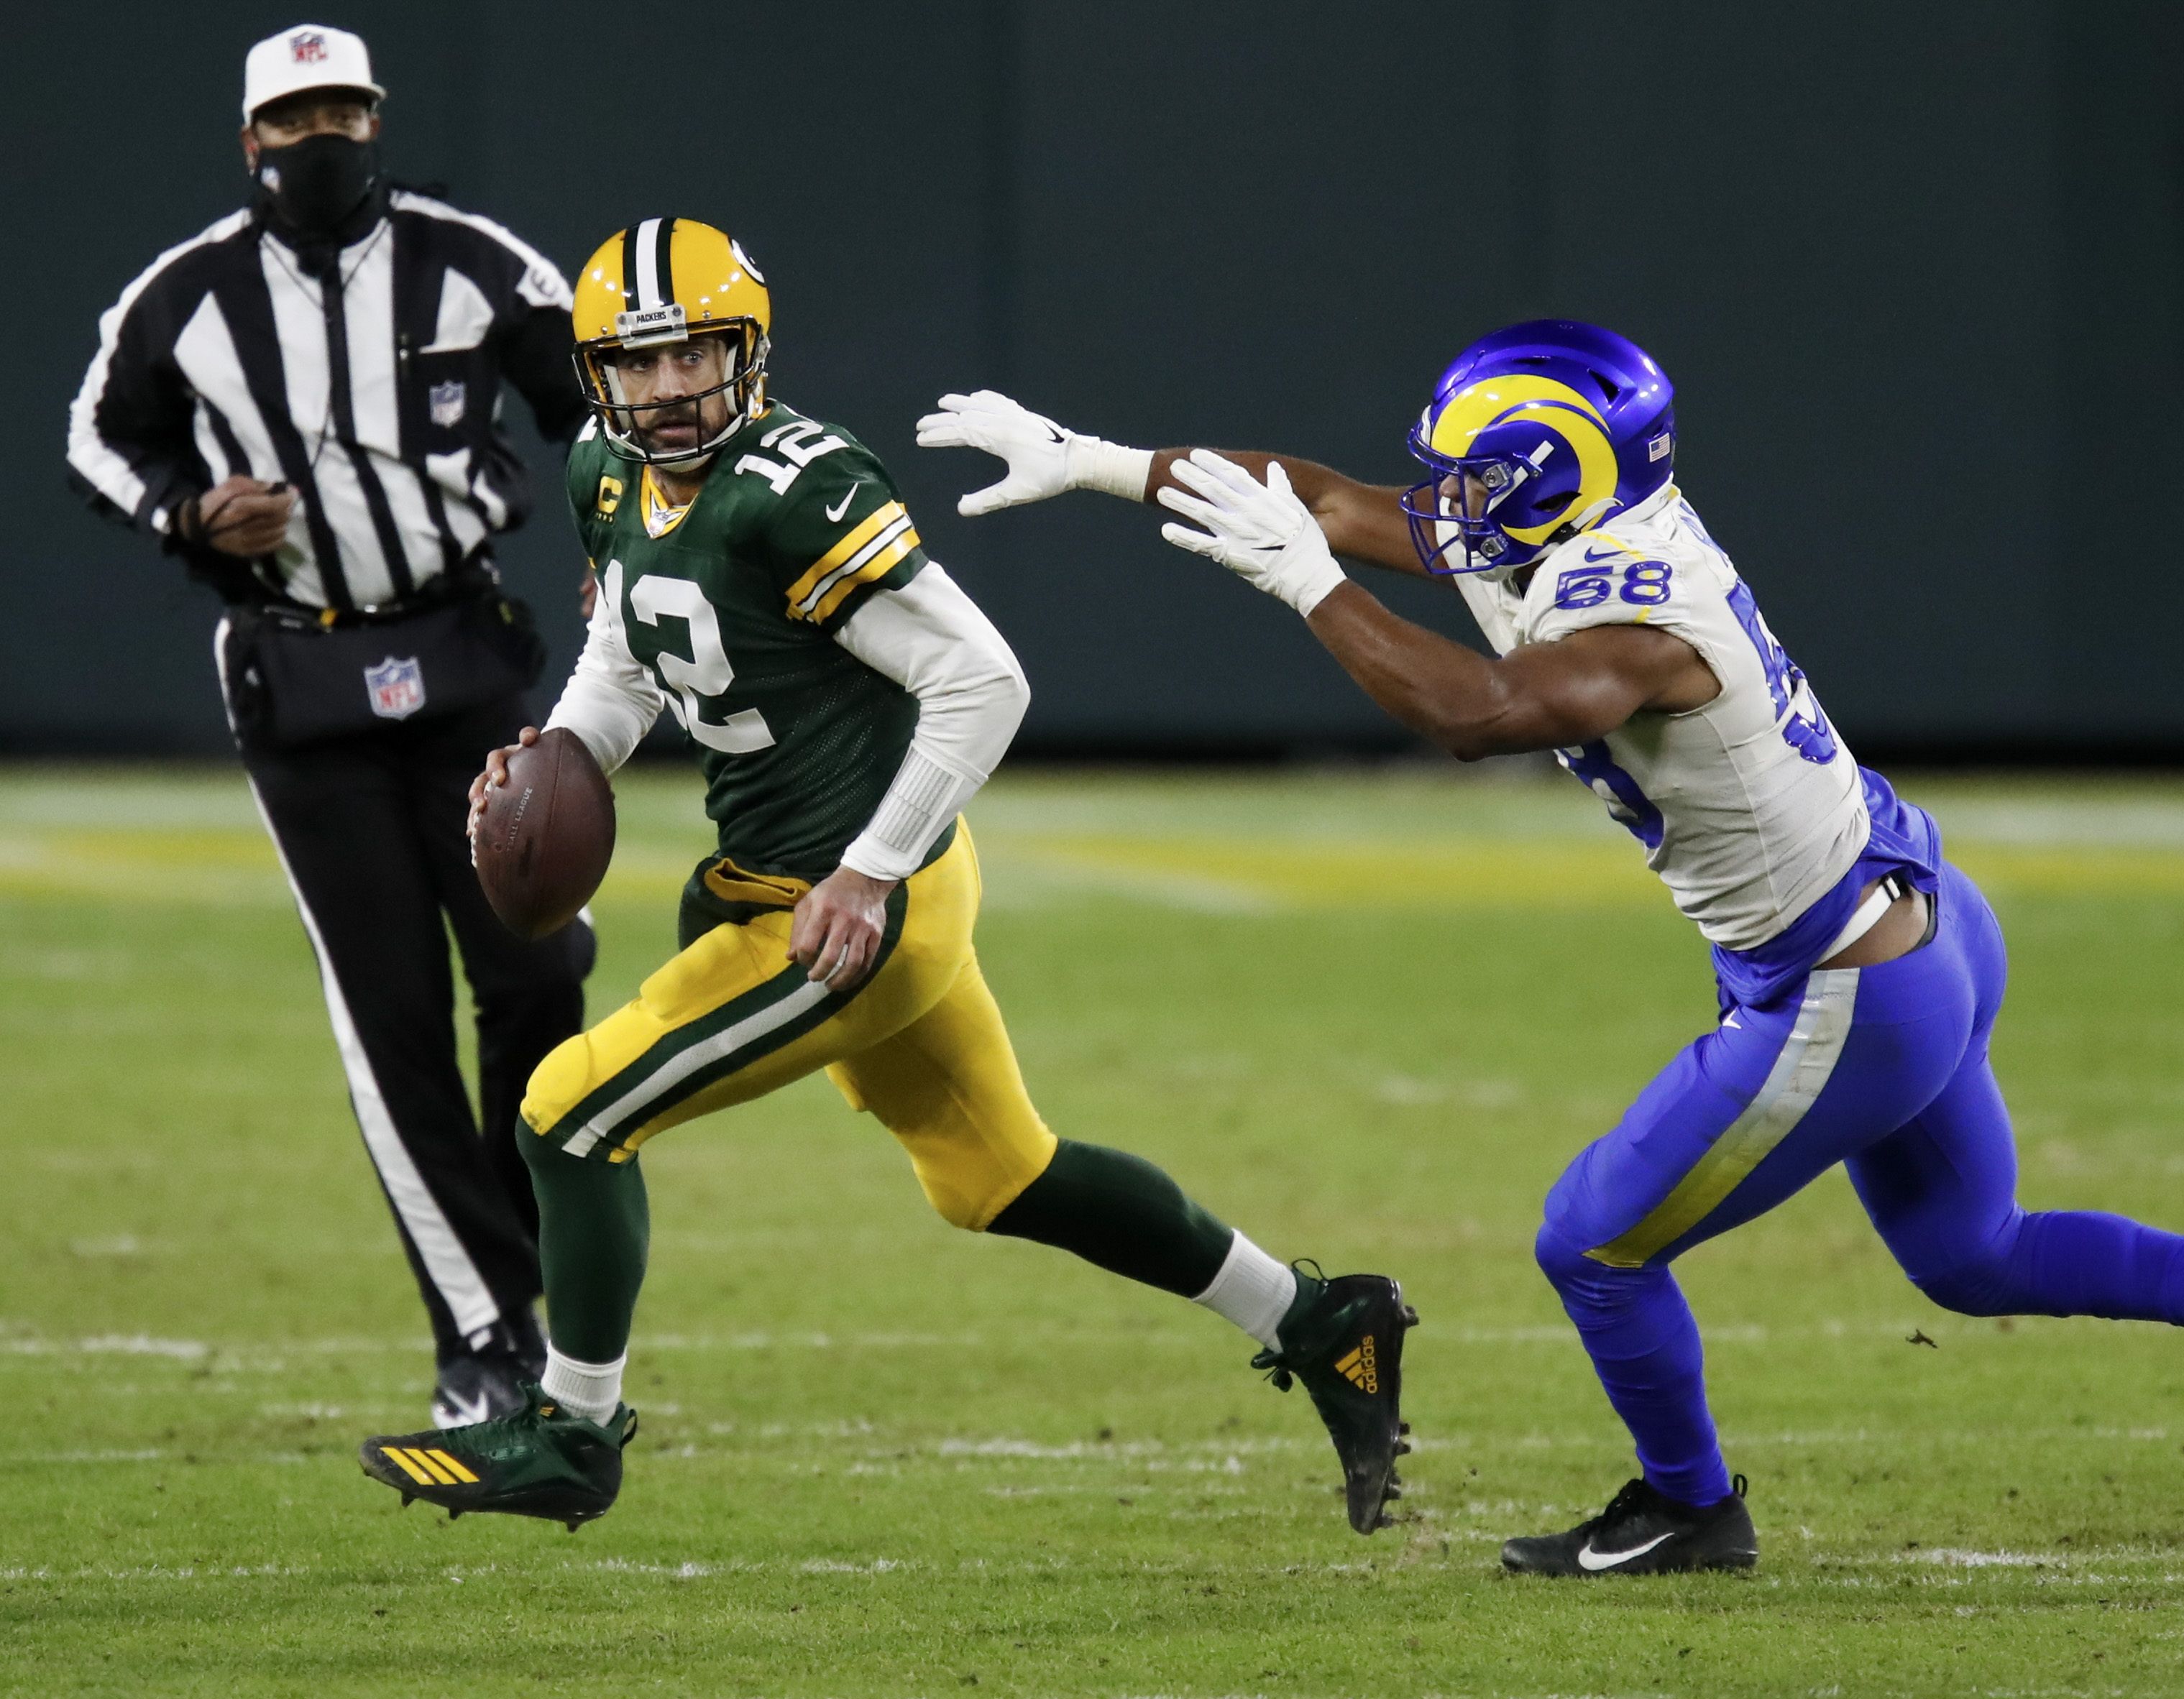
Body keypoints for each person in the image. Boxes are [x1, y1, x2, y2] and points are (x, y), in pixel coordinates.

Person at [913, 319, 2184, 1576]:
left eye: (1478, 476)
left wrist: (1315, 595)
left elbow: (1485, 712)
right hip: (1909, 908)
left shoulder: (1640, 605)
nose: (1447, 505)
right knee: (1967, 1253)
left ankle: (1688, 1506)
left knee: (1589, 1241)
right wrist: (1102, 462)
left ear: (1559, 475)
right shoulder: (1566, 512)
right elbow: (1315, 494)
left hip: (1839, 985)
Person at [354, 219, 1416, 1534]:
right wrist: (567, 752)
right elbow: (631, 655)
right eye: (639, 363)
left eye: (696, 354)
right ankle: (1323, 1322)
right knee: (998, 1177)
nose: (670, 386)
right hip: (793, 878)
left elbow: (982, 680)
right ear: (596, 375)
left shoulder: (794, 489)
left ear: (747, 353)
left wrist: (863, 874)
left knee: (567, 1115)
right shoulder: (604, 472)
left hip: (849, 909)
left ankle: (573, 1429)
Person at [66, 23, 594, 1427]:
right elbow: (95, 436)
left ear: (377, 117)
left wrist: (621, 539)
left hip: (462, 655)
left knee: (538, 970)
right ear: (251, 142)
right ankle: (483, 1337)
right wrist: (186, 514)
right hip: (302, 682)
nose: (320, 138)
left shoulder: (475, 263)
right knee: (392, 1015)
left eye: (340, 110)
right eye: (292, 120)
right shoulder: (187, 294)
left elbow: (590, 411)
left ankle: (526, 1255)